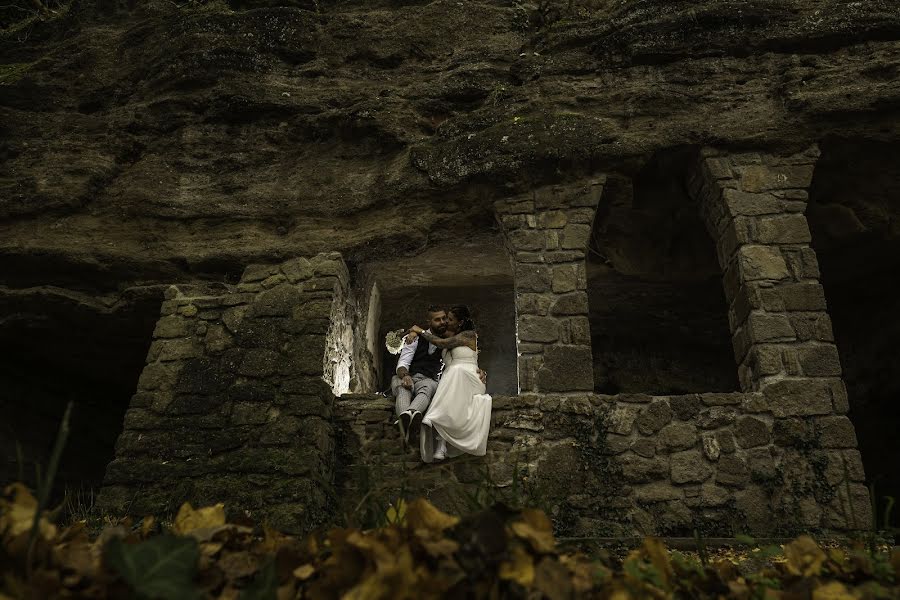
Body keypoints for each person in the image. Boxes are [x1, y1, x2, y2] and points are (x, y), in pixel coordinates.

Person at [407, 305, 492, 462]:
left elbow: (442, 343)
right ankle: (441, 446)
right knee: (450, 375)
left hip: (469, 377)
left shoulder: (469, 335)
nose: (446, 321)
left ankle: (434, 419)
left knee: (456, 372)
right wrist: (413, 332)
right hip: (453, 378)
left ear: (460, 322)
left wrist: (420, 331)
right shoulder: (450, 334)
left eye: (450, 319)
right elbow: (433, 335)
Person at [392, 306, 447, 445]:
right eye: (437, 319)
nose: (442, 322)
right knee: (402, 387)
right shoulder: (415, 338)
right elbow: (403, 362)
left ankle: (409, 416)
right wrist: (405, 375)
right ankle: (409, 423)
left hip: (429, 380)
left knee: (426, 389)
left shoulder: (448, 340)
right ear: (429, 321)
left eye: (444, 318)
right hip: (410, 376)